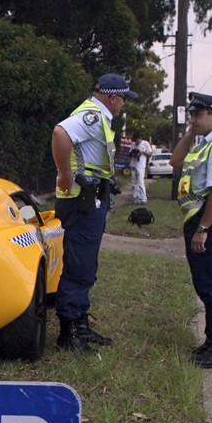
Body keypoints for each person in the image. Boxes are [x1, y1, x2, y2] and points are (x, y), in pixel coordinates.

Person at [51, 72, 136, 350]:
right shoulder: (92, 115)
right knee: (78, 264)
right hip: (80, 199)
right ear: (112, 97)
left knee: (86, 263)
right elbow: (60, 132)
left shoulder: (99, 116)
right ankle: (69, 332)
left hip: (90, 198)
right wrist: (65, 173)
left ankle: (80, 322)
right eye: (123, 99)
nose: (123, 104)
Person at [169, 91, 212, 369]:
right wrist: (190, 132)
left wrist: (203, 228)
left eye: (198, 115)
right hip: (201, 223)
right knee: (204, 286)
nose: (193, 119)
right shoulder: (203, 145)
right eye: (191, 115)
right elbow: (176, 161)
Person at [131, 136, 155, 204]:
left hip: (141, 166)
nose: (136, 142)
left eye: (137, 141)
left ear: (140, 138)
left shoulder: (145, 143)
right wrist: (133, 152)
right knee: (134, 183)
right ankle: (136, 198)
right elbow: (129, 154)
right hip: (133, 164)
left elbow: (150, 154)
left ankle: (143, 198)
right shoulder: (133, 144)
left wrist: (142, 152)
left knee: (140, 182)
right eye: (135, 141)